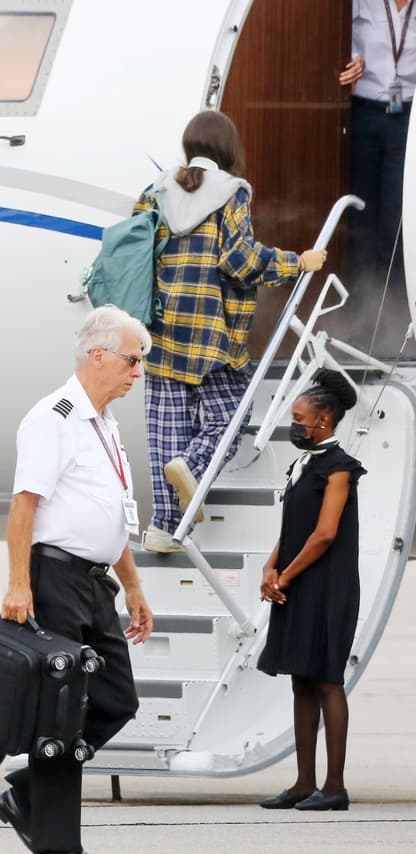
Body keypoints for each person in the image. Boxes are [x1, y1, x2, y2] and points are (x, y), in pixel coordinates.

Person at [0, 305, 154, 854]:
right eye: (133, 361)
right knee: (60, 714)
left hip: (95, 582)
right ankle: (57, 840)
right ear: (99, 355)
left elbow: (113, 513)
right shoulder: (54, 417)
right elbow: (24, 505)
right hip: (55, 576)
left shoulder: (105, 425)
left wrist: (131, 586)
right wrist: (19, 584)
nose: (139, 372)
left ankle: (25, 793)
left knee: (117, 700)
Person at [135, 110, 327, 553]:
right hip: (211, 332)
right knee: (231, 415)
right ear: (228, 151)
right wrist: (296, 262)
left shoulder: (155, 191)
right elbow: (238, 260)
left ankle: (163, 529)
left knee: (166, 428)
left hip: (160, 329)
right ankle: (194, 465)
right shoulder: (231, 192)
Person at [256, 369, 364, 813]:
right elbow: (294, 527)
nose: (294, 424)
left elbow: (323, 535)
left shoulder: (339, 468)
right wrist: (271, 565)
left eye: (300, 418)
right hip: (299, 579)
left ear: (323, 422)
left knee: (327, 681)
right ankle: (304, 783)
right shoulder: (305, 464)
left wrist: (286, 576)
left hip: (327, 585)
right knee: (302, 679)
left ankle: (334, 786)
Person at [340, 0, 415, 301]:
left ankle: (395, 304)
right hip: (364, 111)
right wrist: (349, 63)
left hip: (407, 119)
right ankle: (359, 300)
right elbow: (335, 42)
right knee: (362, 208)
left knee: (398, 212)